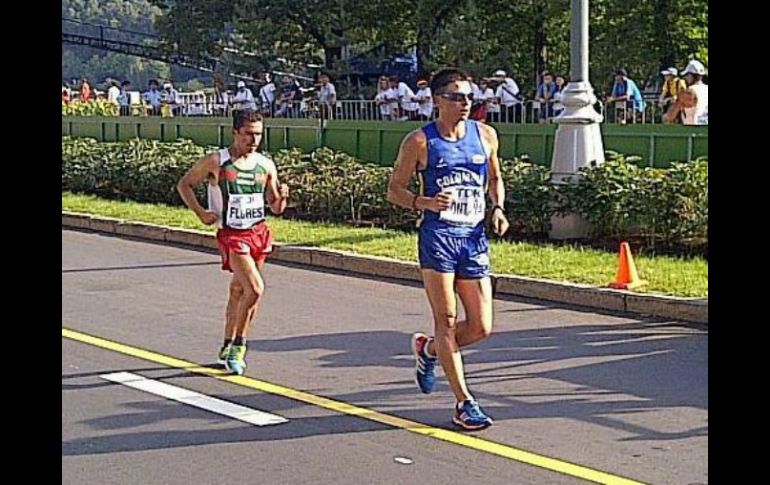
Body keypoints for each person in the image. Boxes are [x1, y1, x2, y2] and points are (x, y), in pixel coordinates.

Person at [387, 68, 510, 430]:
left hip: (473, 239)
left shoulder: (485, 135)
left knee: (482, 326)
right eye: (457, 97)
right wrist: (422, 202)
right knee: (446, 319)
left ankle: (427, 351)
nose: (465, 103)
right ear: (437, 100)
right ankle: (464, 403)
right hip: (438, 237)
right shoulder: (420, 142)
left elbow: (495, 178)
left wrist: (498, 208)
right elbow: (395, 189)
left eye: (469, 97)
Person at [176, 109, 290, 375]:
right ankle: (240, 345)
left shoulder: (265, 164)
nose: (254, 140)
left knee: (240, 292)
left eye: (258, 135)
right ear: (235, 132)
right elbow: (185, 184)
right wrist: (202, 213)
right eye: (248, 134)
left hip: (258, 233)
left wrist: (283, 197)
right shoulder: (217, 161)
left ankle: (227, 344)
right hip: (232, 234)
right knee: (255, 289)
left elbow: (275, 206)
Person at [663, 60, 708, 126]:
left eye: (686, 75)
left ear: (691, 75)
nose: (685, 78)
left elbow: (670, 116)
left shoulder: (689, 92)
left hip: (693, 130)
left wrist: (665, 116)